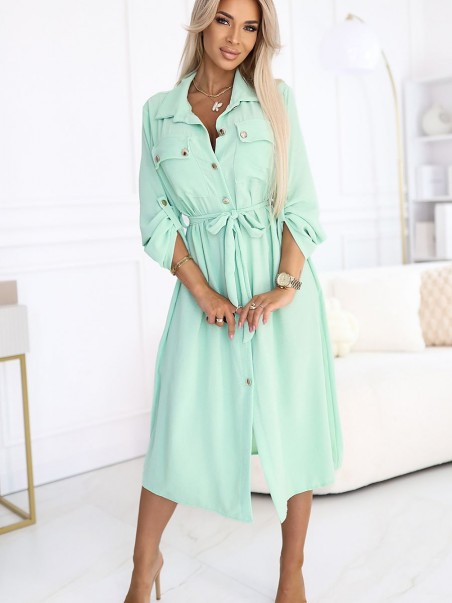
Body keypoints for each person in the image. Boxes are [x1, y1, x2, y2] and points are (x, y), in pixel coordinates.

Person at [124, 0, 343, 601]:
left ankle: (291, 575)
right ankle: (143, 568)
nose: (236, 38)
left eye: (250, 27)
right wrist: (202, 290)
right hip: (204, 301)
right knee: (177, 429)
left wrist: (286, 285)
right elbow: (156, 219)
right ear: (202, 21)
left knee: (293, 430)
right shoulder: (159, 114)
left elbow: (299, 203)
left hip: (279, 301)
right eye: (225, 20)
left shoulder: (277, 101)